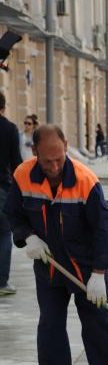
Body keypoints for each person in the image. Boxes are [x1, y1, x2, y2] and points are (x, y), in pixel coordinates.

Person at [5, 124, 108, 365]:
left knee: (99, 325)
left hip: (86, 267)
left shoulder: (86, 181)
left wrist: (100, 272)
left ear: (66, 146)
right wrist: (27, 236)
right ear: (35, 152)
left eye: (59, 158)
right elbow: (13, 212)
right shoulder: (24, 176)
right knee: (50, 327)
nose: (54, 166)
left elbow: (103, 229)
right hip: (49, 265)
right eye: (47, 160)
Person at [0, 91, 22, 296]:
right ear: (3, 107)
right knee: (4, 233)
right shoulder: (9, 128)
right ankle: (1, 283)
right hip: (1, 188)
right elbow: (17, 163)